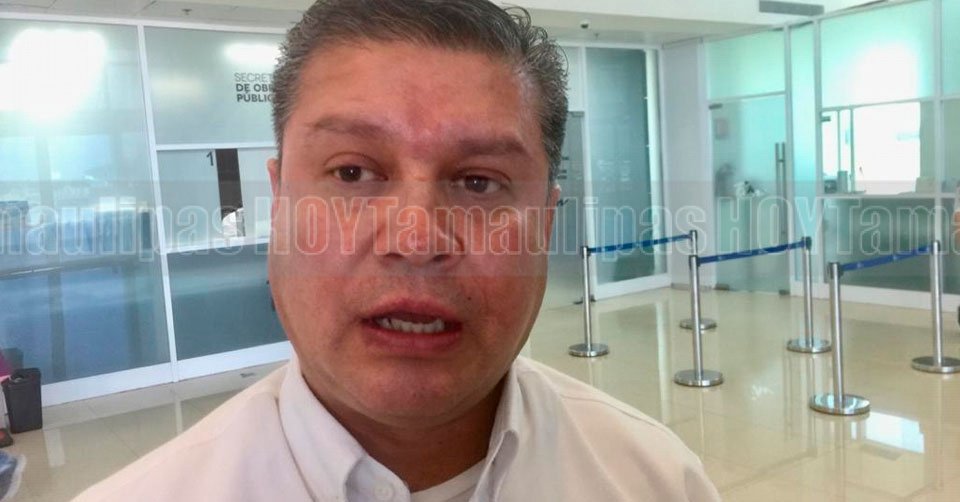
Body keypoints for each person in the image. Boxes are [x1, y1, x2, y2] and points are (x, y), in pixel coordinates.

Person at [77, 1, 720, 500]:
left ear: (545, 225)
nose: (416, 241)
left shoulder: (659, 481)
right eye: (352, 172)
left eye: (478, 182)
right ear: (279, 203)